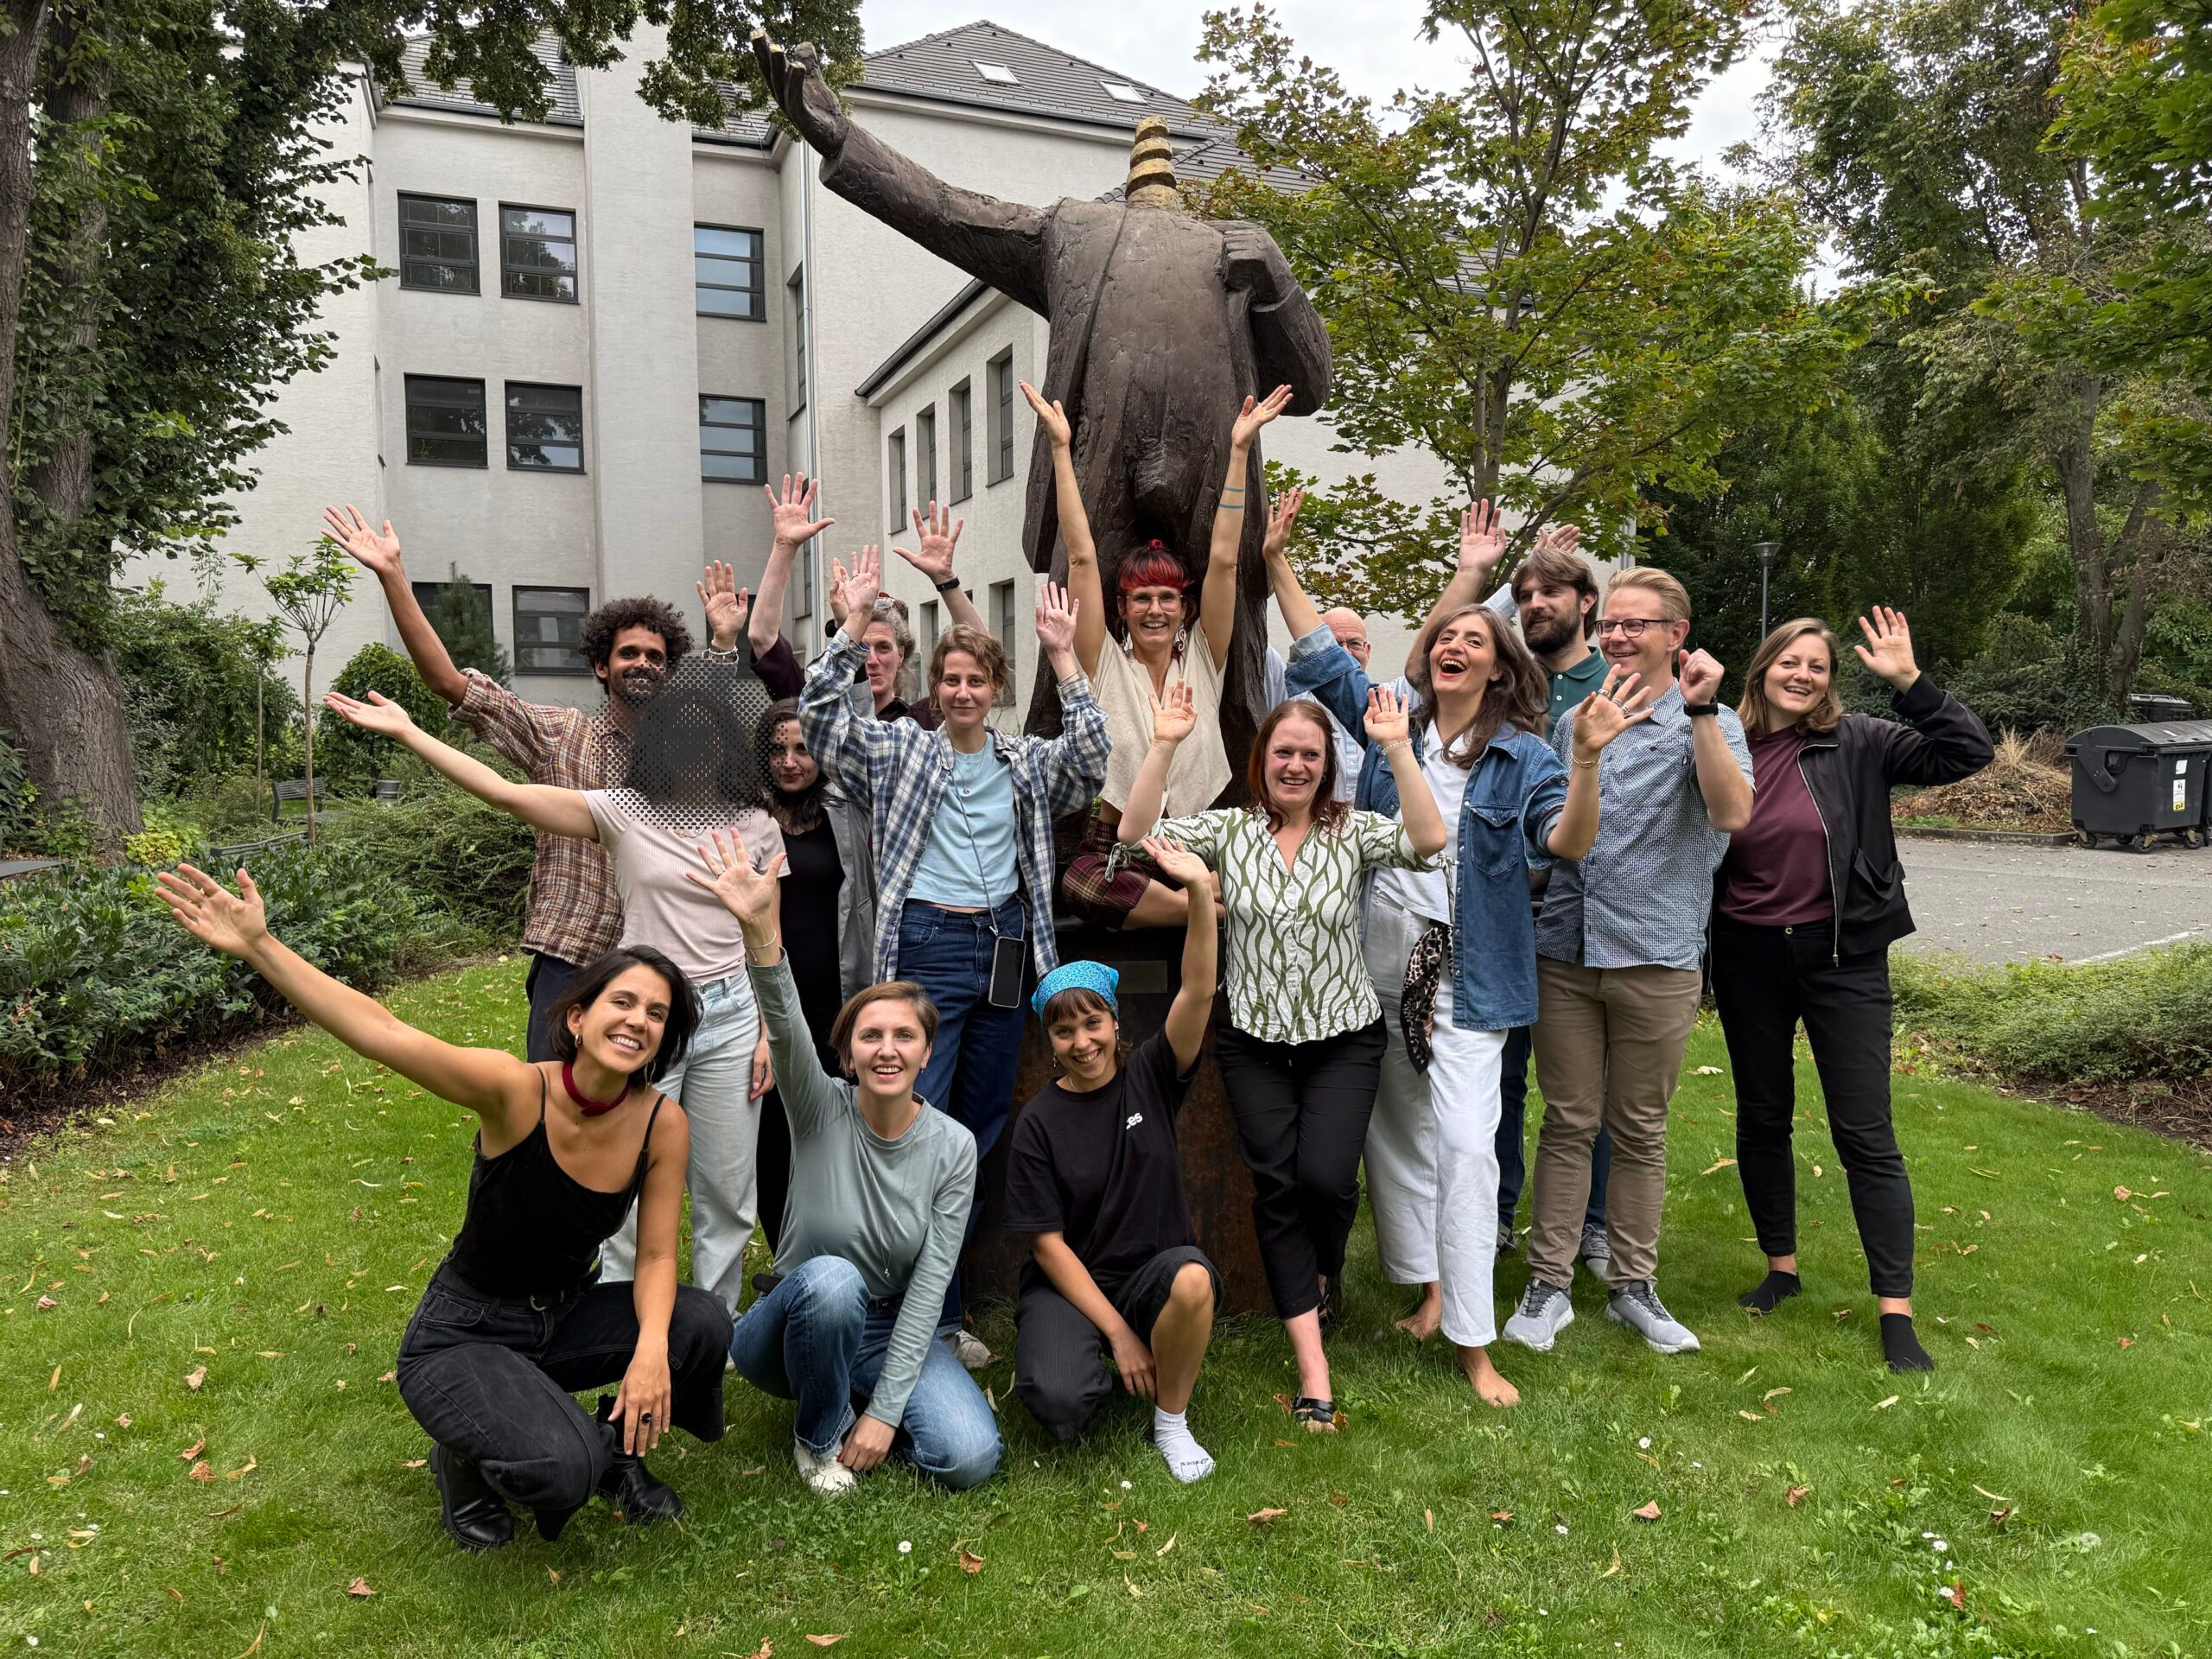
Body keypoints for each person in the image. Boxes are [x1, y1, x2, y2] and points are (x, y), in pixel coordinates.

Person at [155, 864, 728, 1548]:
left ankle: (617, 1448)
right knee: (561, 1469)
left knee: (698, 1322)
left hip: (565, 1314)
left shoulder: (661, 1123)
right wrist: (261, 945)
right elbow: (385, 1031)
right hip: (465, 1333)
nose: (638, 1020)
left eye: (657, 1014)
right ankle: (465, 1459)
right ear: (578, 1016)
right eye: (623, 1002)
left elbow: (660, 1253)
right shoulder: (515, 1092)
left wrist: (651, 1354)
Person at [1276, 520, 1650, 1404]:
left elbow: (1566, 840)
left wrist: (1587, 759)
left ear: (1498, 669)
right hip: (1377, 960)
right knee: (1396, 1134)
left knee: (1465, 1145)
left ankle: (1474, 1340)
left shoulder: (1523, 755)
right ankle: (1431, 1289)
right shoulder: (1388, 725)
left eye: (1472, 640)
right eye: (1445, 635)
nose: (1452, 643)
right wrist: (1273, 564)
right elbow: (1314, 653)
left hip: (1470, 974)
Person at [323, 671, 783, 1313]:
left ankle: (717, 1327)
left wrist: (767, 1031)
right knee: (623, 1186)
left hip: (733, 1016)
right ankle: (622, 1322)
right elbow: (509, 795)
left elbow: (767, 935)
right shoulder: (621, 809)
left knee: (728, 1193)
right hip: (649, 1019)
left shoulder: (757, 824)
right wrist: (410, 732)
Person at [800, 550, 1109, 1365]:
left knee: (974, 1132)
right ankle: (896, 1306)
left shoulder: (1024, 763)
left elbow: (1092, 761)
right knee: (911, 1124)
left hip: (1006, 948)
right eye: (952, 681)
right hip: (928, 948)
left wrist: (1065, 661)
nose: (964, 692)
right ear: (934, 690)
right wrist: (848, 627)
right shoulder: (903, 752)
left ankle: (938, 1306)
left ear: (994, 691)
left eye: (977, 681)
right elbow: (824, 724)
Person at [1117, 683, 1447, 1430]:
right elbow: (1137, 837)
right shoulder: (1230, 833)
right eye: (1283, 752)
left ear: (1326, 764)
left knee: (1326, 1179)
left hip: (1344, 1037)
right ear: (1261, 759)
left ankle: (1324, 1267)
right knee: (1277, 1188)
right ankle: (1313, 1365)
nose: (1295, 766)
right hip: (1254, 1042)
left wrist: (1395, 746)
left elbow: (1427, 840)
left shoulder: (1352, 830)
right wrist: (1164, 742)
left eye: (1310, 754)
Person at [322, 504, 752, 1062]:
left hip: (659, 967)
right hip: (572, 957)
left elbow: (715, 710)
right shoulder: (559, 735)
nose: (643, 663)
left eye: (655, 656)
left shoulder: (686, 755)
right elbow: (450, 683)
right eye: (629, 654)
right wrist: (392, 576)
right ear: (602, 666)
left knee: (638, 1125)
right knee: (547, 1111)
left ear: (669, 671)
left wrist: (722, 642)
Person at [1712, 610, 1991, 1372]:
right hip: (1745, 955)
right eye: (1789, 663)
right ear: (1762, 668)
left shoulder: (1860, 741)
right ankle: (1781, 1268)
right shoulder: (1725, 743)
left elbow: (1967, 751)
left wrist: (1909, 681)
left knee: (1864, 1131)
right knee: (1763, 1114)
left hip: (1844, 957)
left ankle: (1895, 1312)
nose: (1803, 676)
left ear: (1832, 681)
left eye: (1819, 667)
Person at [699, 834, 1001, 1496]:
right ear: (848, 1055)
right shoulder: (818, 1108)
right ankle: (819, 1433)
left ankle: (863, 1405)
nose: (886, 1050)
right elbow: (784, 1024)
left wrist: (888, 1415)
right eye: (870, 1036)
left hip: (890, 1324)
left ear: (927, 1054)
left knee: (970, 1459)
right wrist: (759, 932)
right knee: (833, 1281)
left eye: (904, 1037)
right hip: (793, 1325)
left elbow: (930, 1285)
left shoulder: (952, 1146)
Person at [1502, 567, 1754, 1358]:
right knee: (1568, 1122)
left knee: (1640, 1129)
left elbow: (1732, 811)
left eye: (1635, 624)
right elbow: (1550, 828)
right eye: (1611, 623)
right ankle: (1547, 1286)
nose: (1616, 635)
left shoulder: (1706, 719)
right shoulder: (1578, 716)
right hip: (1567, 950)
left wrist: (1706, 711)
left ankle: (1632, 1289)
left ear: (1676, 636)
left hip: (1657, 953)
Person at [1005, 836, 1224, 1478]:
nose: (1082, 1041)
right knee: (1060, 1404)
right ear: (1050, 1039)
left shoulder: (1152, 1075)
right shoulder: (1038, 1122)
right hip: (1070, 1286)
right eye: (1064, 1029)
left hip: (1152, 1272)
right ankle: (1098, 1356)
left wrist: (1199, 894)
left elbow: (1199, 990)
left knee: (1191, 1278)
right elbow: (1047, 1246)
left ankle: (1171, 1421)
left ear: (1116, 1023)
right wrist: (1120, 1335)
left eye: (1092, 1023)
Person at [1038, 381, 1274, 928]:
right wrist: (1060, 450)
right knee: (1082, 886)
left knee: (1258, 863)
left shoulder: (1206, 658)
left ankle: (1203, 896)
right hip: (1121, 851)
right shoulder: (1102, 661)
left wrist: (1238, 452)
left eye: (1167, 597)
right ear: (1122, 607)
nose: (1155, 609)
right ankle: (1207, 910)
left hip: (1199, 838)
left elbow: (1223, 561)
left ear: (1183, 606)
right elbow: (1080, 558)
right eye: (1141, 598)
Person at [1490, 532, 1616, 1272]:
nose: (1537, 606)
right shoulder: (1512, 686)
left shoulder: (1615, 684)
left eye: (1552, 594)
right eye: (1527, 595)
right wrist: (1503, 575)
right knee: (1502, 1080)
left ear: (1586, 604)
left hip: (1587, 918)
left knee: (1581, 1090)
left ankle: (1592, 1226)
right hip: (1510, 914)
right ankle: (1501, 1213)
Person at [754, 696, 880, 1253]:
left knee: (833, 1126)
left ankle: (836, 1247)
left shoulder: (846, 812)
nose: (789, 761)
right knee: (772, 1134)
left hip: (837, 993)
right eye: (777, 749)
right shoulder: (748, 816)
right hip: (765, 996)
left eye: (802, 748)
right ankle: (782, 1254)